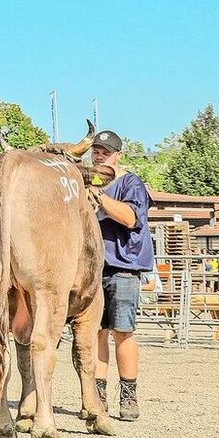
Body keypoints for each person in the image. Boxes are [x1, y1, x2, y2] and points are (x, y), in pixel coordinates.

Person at [88, 130, 153, 422]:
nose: (99, 155)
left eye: (105, 151)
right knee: (95, 333)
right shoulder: (87, 181)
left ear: (118, 154)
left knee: (123, 331)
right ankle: (96, 395)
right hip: (92, 268)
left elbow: (130, 218)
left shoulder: (130, 182)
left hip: (123, 265)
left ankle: (128, 394)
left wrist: (98, 196)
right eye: (96, 151)